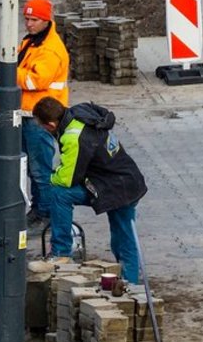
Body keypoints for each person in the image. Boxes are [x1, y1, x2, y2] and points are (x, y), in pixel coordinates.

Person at [32, 96, 147, 284]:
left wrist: (51, 178)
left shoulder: (72, 136)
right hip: (121, 179)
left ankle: (61, 253)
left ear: (51, 124)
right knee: (121, 233)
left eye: (42, 126)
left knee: (60, 194)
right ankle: (129, 280)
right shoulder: (79, 114)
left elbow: (67, 179)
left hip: (118, 186)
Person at [16, 0, 69, 227]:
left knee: (40, 170)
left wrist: (9, 72)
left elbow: (34, 79)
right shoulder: (33, 42)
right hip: (28, 114)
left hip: (40, 119)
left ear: (46, 20)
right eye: (27, 19)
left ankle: (44, 214)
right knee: (31, 169)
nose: (29, 24)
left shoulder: (50, 49)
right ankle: (39, 209)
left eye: (34, 20)